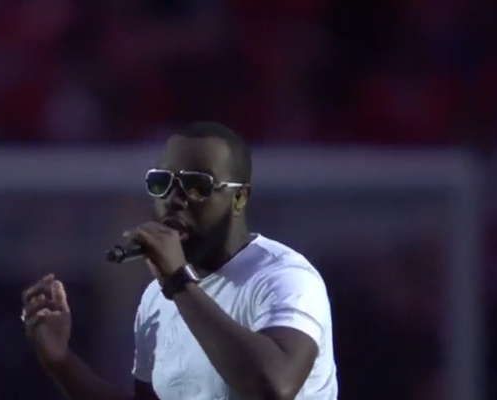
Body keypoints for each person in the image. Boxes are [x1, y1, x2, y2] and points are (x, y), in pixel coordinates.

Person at [21, 121, 338, 400]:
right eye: (161, 183)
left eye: (197, 186)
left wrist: (177, 281)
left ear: (239, 198)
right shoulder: (157, 296)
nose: (174, 199)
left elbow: (276, 387)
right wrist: (62, 362)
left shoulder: (285, 276)